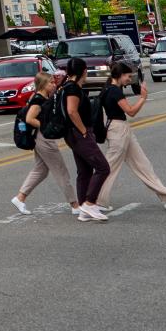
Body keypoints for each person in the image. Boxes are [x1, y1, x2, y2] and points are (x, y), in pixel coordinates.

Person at [99, 62, 166, 210]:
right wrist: (143, 98)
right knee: (109, 168)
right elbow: (131, 111)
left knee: (143, 165)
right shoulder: (114, 91)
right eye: (128, 76)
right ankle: (96, 201)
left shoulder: (109, 88)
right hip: (117, 130)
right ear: (120, 75)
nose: (130, 79)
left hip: (121, 129)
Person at [9, 69, 77, 217]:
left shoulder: (43, 97)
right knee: (61, 171)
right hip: (43, 139)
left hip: (40, 138)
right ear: (42, 85)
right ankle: (74, 204)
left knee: (41, 170)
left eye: (53, 82)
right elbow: (29, 119)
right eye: (50, 83)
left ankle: (20, 198)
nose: (53, 85)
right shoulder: (38, 100)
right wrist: (46, 126)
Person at [59, 57, 110, 221]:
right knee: (103, 167)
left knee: (84, 171)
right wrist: (83, 131)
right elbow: (72, 111)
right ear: (83, 71)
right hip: (79, 133)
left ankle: (83, 209)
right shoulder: (72, 88)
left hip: (72, 134)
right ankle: (89, 203)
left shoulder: (66, 87)